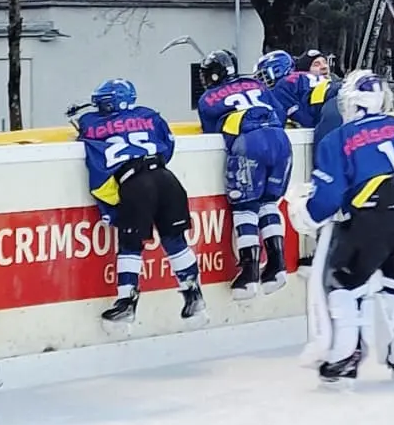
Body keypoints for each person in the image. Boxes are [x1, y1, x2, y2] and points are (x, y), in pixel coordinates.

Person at [287, 70, 394, 386]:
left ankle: (345, 352)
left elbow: (328, 196)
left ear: (349, 104)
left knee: (343, 279)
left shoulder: (338, 138)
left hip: (375, 217)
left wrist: (306, 213)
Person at [68, 79, 204, 324]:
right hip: (166, 178)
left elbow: (85, 139)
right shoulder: (150, 115)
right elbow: (168, 145)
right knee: (175, 240)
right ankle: (194, 294)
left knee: (130, 244)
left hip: (135, 183)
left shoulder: (90, 122)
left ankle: (126, 302)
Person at [196, 50, 294, 299]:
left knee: (245, 208)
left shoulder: (208, 99)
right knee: (269, 204)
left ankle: (250, 272)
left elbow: (211, 132)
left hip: (249, 142)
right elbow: (281, 114)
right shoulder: (255, 84)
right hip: (280, 140)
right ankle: (277, 265)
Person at [255, 49, 326, 129]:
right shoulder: (302, 77)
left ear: (277, 70)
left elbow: (304, 121)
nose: (262, 80)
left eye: (264, 75)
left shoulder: (283, 85)